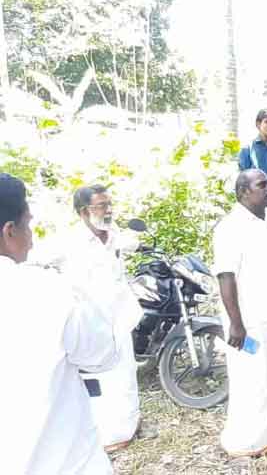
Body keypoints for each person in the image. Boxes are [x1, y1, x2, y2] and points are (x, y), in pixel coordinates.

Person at [1, 173, 119, 475]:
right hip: (61, 460)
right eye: (28, 224)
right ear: (9, 231)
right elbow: (101, 355)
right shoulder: (43, 288)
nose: (32, 235)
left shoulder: (116, 234)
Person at [31, 184, 144, 452]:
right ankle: (106, 436)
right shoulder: (68, 242)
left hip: (121, 317)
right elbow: (31, 261)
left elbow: (134, 242)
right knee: (100, 382)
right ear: (84, 212)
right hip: (91, 323)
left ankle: (128, 427)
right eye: (102, 206)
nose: (108, 210)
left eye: (109, 204)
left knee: (126, 374)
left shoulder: (114, 236)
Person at [213, 169, 267, 457]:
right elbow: (226, 277)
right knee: (253, 376)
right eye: (261, 185)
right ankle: (248, 439)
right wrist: (236, 324)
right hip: (251, 317)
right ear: (243, 192)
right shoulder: (230, 227)